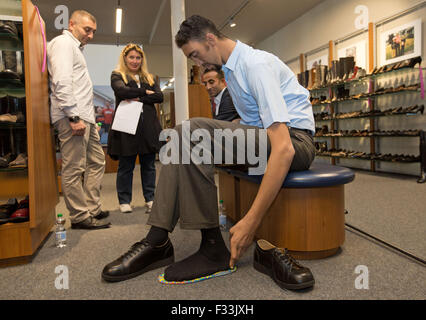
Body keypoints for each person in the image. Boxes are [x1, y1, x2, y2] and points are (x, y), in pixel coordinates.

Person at [102, 15, 315, 283]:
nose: (197, 63)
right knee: (180, 136)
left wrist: (251, 222)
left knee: (191, 132)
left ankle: (210, 250)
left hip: (296, 142)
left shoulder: (255, 64)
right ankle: (158, 241)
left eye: (196, 54)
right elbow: (253, 126)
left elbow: (284, 149)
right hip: (267, 141)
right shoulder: (233, 72)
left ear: (210, 39)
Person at [48, 10, 110, 229]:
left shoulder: (75, 48)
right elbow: (61, 81)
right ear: (71, 24)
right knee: (74, 167)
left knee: (96, 162)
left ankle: (92, 207)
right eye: (87, 30)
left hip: (86, 117)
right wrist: (73, 116)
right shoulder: (63, 44)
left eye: (93, 31)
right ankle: (80, 216)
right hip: (71, 117)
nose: (91, 35)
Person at [107, 43, 163, 214]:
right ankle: (124, 201)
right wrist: (146, 94)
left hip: (147, 127)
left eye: (138, 58)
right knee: (126, 165)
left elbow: (159, 97)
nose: (135, 60)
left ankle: (150, 199)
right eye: (131, 57)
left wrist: (139, 97)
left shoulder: (150, 77)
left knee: (149, 165)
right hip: (126, 126)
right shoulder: (117, 75)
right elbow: (122, 92)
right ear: (125, 58)